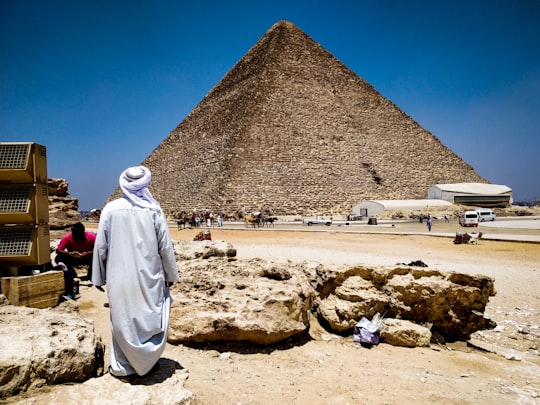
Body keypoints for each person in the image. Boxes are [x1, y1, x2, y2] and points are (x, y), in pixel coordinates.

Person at [92, 166, 179, 378]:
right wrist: (170, 275)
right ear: (145, 184)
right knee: (148, 319)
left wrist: (98, 276)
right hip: (149, 275)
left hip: (118, 275)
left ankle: (122, 367)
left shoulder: (110, 209)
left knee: (122, 319)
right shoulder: (153, 210)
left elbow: (100, 246)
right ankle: (147, 364)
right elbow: (165, 247)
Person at [55, 221, 96, 294]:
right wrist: (69, 253)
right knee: (59, 258)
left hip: (88, 258)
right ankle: (71, 274)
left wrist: (89, 253)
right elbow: (58, 250)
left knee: (99, 257)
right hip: (73, 258)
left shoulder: (91, 236)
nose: (75, 235)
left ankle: (92, 275)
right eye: (73, 233)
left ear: (82, 232)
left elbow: (99, 249)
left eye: (77, 233)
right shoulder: (68, 237)